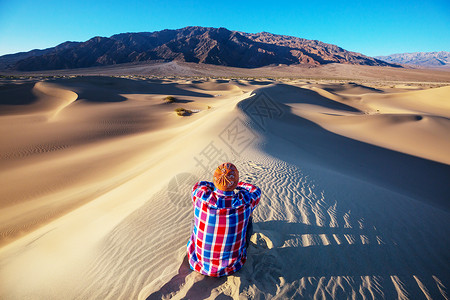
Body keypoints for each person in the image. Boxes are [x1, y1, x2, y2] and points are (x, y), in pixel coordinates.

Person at [186, 162, 261, 277]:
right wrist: (236, 184)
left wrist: (217, 183)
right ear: (235, 183)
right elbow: (255, 190)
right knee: (248, 217)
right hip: (233, 266)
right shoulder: (246, 201)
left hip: (199, 263)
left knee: (196, 219)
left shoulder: (199, 196)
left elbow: (199, 184)